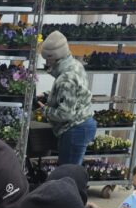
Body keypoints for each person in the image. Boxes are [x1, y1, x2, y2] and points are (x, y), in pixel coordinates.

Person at [38, 31, 97, 166]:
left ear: (54, 57)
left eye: (47, 59)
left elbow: (65, 114)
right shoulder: (76, 65)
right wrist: (48, 95)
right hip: (83, 124)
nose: (47, 62)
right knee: (71, 170)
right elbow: (75, 93)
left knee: (68, 173)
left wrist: (45, 110)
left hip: (75, 128)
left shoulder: (67, 77)